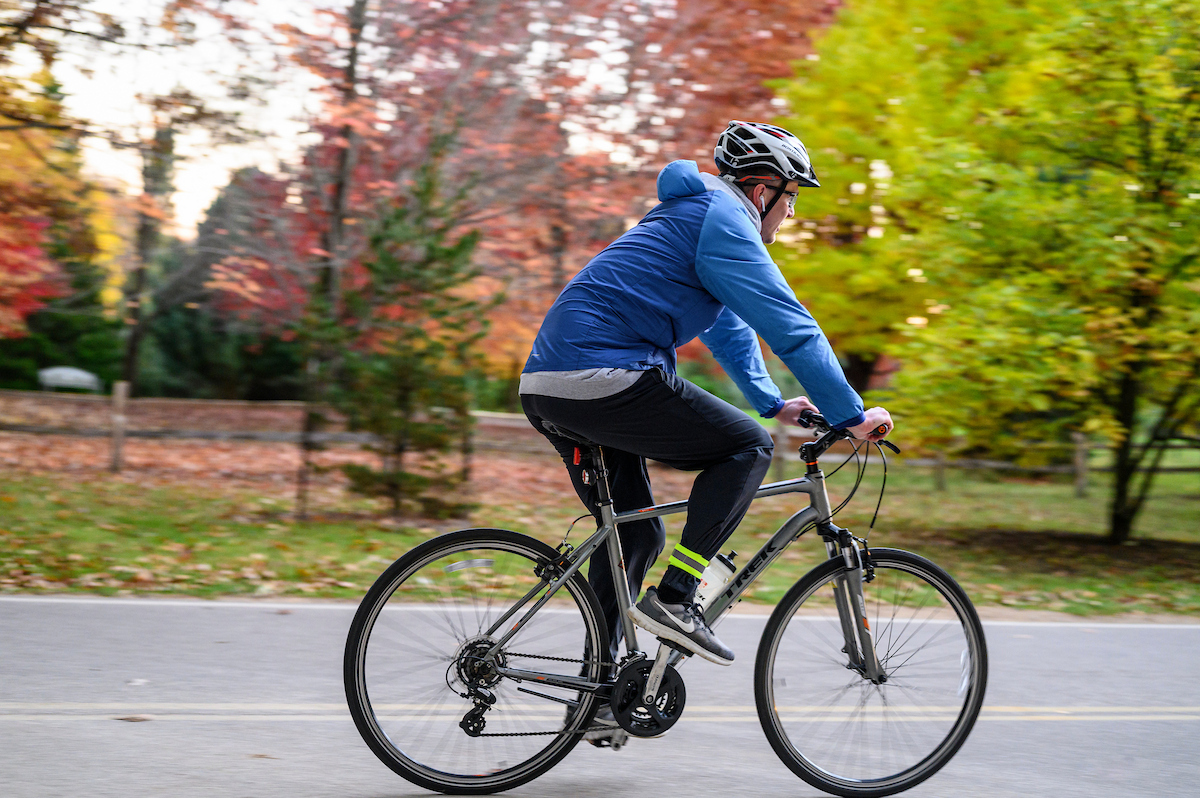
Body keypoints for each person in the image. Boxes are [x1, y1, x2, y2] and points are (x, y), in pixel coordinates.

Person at [520, 120, 893, 675]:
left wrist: (773, 401)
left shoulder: (694, 214)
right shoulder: (725, 220)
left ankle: (595, 691)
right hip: (608, 373)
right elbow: (793, 328)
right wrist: (851, 415)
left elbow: (728, 327)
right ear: (763, 190)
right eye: (792, 198)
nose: (793, 213)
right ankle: (676, 598)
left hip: (551, 386)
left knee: (636, 532)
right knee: (747, 449)